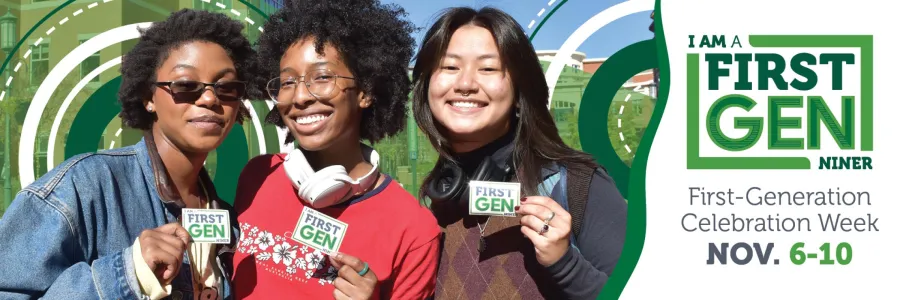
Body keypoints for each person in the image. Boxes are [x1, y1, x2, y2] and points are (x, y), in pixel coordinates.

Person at [0, 9, 264, 300]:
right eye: (186, 85)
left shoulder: (230, 220)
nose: (211, 98)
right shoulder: (84, 187)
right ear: (149, 98)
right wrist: (127, 273)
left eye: (226, 88)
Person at [411, 7, 628, 299]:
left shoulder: (577, 185)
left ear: (519, 90)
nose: (465, 84)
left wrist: (565, 265)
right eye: (450, 67)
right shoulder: (440, 196)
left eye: (488, 68)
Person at [230, 0, 441, 299]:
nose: (300, 96)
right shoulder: (257, 175)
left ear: (365, 92)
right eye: (287, 82)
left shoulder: (415, 230)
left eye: (323, 77)